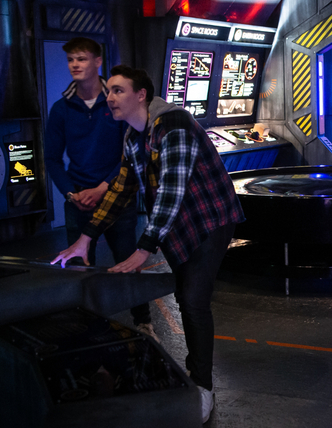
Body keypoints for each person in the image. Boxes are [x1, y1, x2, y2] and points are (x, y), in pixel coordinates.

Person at [52, 65, 245, 424]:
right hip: (177, 226)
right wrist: (85, 238)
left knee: (192, 299)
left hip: (209, 220)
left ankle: (203, 385)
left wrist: (143, 248)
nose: (109, 97)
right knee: (188, 296)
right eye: (109, 91)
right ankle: (193, 376)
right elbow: (121, 190)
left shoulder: (174, 126)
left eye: (118, 91)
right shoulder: (132, 137)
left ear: (141, 95)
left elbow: (171, 193)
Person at [44, 38, 157, 341]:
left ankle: (144, 322)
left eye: (82, 58)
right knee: (79, 268)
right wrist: (71, 193)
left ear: (97, 62)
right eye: (70, 60)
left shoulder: (117, 102)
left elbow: (129, 152)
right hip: (78, 198)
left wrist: (104, 187)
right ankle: (87, 331)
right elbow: (52, 159)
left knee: (128, 260)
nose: (75, 65)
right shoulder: (61, 110)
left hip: (117, 195)